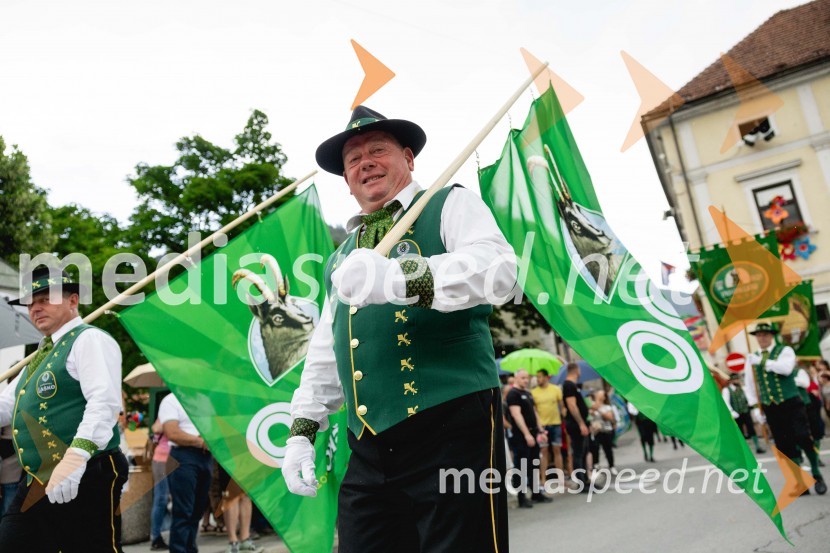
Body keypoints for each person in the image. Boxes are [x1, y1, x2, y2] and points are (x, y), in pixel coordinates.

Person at [282, 105, 517, 552]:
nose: (365, 162)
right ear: (347, 180)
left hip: (451, 426)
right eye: (353, 159)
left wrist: (398, 277)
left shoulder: (450, 203)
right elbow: (326, 349)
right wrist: (302, 431)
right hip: (369, 447)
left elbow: (499, 270)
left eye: (378, 150)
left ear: (408, 159)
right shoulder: (341, 255)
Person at [0, 266, 128, 551]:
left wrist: (74, 459)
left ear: (73, 301)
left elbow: (104, 404)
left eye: (45, 299)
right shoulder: (41, 353)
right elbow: (9, 405)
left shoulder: (89, 339)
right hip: (38, 474)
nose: (36, 307)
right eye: (31, 302)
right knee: (13, 542)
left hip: (87, 469)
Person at [743, 323, 826, 495]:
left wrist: (762, 361)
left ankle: (816, 473)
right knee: (784, 445)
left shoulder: (785, 351)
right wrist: (755, 408)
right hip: (770, 407)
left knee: (803, 437)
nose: (762, 338)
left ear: (771, 335)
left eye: (765, 334)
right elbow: (750, 385)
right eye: (759, 335)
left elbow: (786, 369)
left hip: (791, 403)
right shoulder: (752, 358)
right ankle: (799, 481)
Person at [159, 392, 214, 553]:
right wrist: (200, 440)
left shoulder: (204, 399)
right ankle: (179, 549)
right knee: (184, 510)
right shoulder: (171, 400)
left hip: (205, 457)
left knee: (198, 510)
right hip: (183, 456)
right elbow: (172, 433)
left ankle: (190, 548)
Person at [506, 369, 551, 507]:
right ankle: (522, 497)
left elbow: (534, 413)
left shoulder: (527, 393)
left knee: (534, 464)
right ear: (516, 378)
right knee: (522, 466)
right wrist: (526, 434)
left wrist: (540, 430)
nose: (525, 380)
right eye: (523, 378)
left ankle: (536, 493)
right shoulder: (513, 394)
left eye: (527, 378)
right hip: (521, 436)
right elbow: (516, 415)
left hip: (533, 433)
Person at [531, 368, 565, 485]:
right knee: (544, 451)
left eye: (540, 376)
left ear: (546, 377)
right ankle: (543, 480)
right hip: (542, 426)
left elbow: (562, 406)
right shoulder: (533, 392)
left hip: (555, 423)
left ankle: (561, 479)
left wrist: (564, 417)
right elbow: (534, 410)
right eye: (537, 377)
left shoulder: (555, 389)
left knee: (557, 450)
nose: (538, 379)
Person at [218, 467, 263, 553]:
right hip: (228, 457)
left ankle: (245, 538)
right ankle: (233, 541)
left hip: (245, 458)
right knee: (231, 494)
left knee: (246, 494)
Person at [562, 362, 590, 490]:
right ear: (576, 370)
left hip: (579, 423)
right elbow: (572, 405)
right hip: (575, 424)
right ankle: (581, 482)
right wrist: (581, 423)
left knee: (583, 452)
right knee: (578, 453)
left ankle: (585, 479)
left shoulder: (573, 385)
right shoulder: (569, 385)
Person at [722, 373, 765, 454]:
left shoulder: (743, 388)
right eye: (735, 379)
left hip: (745, 411)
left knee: (751, 429)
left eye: (737, 379)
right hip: (736, 414)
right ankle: (742, 450)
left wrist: (753, 406)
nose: (737, 381)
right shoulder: (727, 390)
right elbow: (726, 402)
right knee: (739, 431)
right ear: (731, 381)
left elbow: (749, 398)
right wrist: (731, 411)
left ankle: (757, 446)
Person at [150, 417, 172, 550]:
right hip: (162, 460)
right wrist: (173, 424)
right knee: (161, 498)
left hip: (178, 459)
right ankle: (155, 537)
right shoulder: (168, 409)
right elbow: (156, 428)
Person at [588, 390, 616, 474]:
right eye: (598, 394)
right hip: (596, 431)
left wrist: (599, 410)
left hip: (606, 430)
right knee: (595, 448)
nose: (599, 396)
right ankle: (596, 465)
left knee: (608, 449)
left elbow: (609, 417)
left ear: (604, 397)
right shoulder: (592, 406)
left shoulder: (607, 407)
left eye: (601, 395)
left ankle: (611, 466)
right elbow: (590, 414)